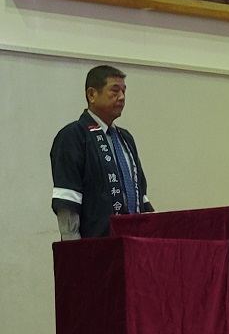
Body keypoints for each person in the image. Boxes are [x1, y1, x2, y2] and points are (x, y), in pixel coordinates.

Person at [50, 65, 154, 239]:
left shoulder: (125, 138)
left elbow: (141, 194)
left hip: (132, 243)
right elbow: (68, 201)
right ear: (92, 94)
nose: (122, 97)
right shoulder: (73, 136)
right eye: (115, 90)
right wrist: (73, 249)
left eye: (124, 91)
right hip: (94, 245)